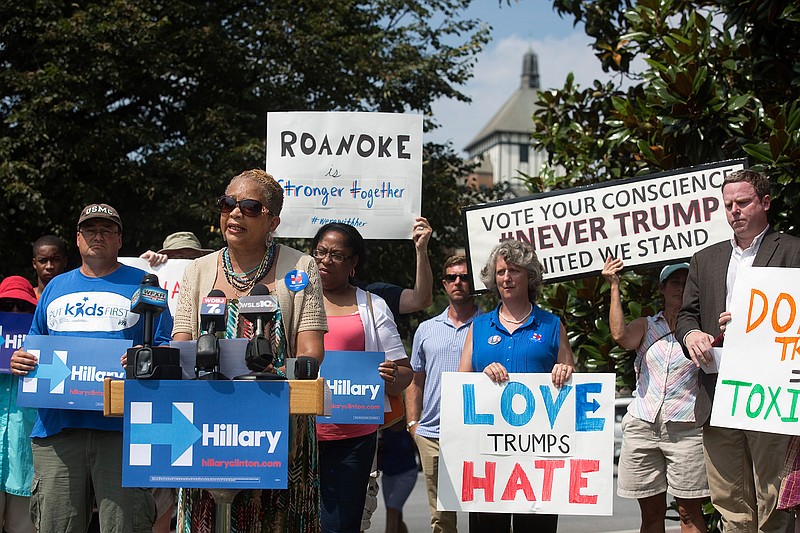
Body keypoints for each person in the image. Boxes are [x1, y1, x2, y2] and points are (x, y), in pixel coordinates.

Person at [171, 169, 327, 533]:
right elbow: (183, 341)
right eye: (228, 203)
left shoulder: (301, 268)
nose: (235, 213)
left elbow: (310, 349)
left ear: (272, 220)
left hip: (277, 419)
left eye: (250, 207)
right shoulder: (197, 270)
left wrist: (277, 375)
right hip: (207, 421)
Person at [10, 203, 173, 533]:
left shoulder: (146, 284)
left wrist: (150, 357)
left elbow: (166, 347)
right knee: (56, 525)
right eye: (90, 230)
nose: (98, 236)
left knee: (125, 526)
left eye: (107, 230)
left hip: (123, 432)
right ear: (78, 239)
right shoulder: (54, 288)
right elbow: (33, 344)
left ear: (120, 239)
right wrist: (20, 360)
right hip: (57, 432)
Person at [676, 169, 800, 533]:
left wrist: (753, 325)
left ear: (765, 202)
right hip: (718, 392)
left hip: (770, 393)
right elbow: (685, 315)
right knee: (728, 500)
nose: (734, 211)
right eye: (728, 204)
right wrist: (692, 335)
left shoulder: (793, 251)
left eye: (743, 202)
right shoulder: (706, 258)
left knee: (773, 498)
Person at [457, 239, 574, 533]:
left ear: (530, 276)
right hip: (486, 456)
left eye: (514, 271)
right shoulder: (479, 326)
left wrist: (564, 371)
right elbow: (459, 384)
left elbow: (573, 376)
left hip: (538, 459)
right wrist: (481, 375)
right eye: (500, 272)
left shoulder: (551, 324)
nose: (506, 278)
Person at [309, 222, 412, 533]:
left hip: (351, 438)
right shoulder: (294, 298)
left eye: (337, 255)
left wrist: (392, 376)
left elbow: (404, 373)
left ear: (353, 264)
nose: (326, 260)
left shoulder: (372, 305)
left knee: (338, 525)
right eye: (320, 252)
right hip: (298, 434)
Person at [603, 258, 708, 533]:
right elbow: (619, 335)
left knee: (689, 513)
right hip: (643, 426)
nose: (680, 288)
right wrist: (614, 285)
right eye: (675, 282)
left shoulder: (703, 330)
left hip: (686, 429)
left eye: (686, 283)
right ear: (662, 289)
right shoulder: (648, 326)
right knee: (651, 516)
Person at [406, 254, 481, 533]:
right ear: (443, 283)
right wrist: (413, 424)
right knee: (441, 518)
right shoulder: (426, 329)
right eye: (452, 277)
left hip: (476, 433)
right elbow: (415, 380)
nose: (458, 282)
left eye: (464, 277)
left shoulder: (490, 325)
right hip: (433, 435)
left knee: (483, 511)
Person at [0, 276, 38, 533]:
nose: (15, 312)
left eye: (23, 307)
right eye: (8, 305)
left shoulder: (46, 348)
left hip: (25, 466)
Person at [354, 216, 433, 318]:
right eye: (325, 252)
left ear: (354, 262)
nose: (327, 260)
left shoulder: (374, 296)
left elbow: (421, 300)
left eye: (337, 255)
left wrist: (421, 249)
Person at [378, 419, 418, 533]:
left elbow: (419, 446)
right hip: (388, 474)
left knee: (392, 511)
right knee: (396, 515)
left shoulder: (410, 425)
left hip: (407, 473)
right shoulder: (383, 424)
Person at [139, 230, 214, 265]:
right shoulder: (156, 281)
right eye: (179, 257)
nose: (185, 262)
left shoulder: (210, 282)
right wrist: (143, 265)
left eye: (192, 258)